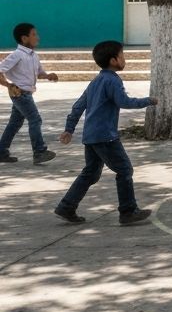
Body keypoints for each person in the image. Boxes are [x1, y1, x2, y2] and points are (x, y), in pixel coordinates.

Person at [53, 40, 157, 225]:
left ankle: (66, 206)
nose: (125, 59)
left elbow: (78, 106)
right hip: (105, 136)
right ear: (113, 60)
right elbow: (124, 102)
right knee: (125, 169)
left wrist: (69, 129)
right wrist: (148, 101)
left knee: (91, 173)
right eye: (122, 55)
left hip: (91, 136)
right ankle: (128, 211)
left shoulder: (95, 81)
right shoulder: (112, 80)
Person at [0, 23, 59, 164]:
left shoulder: (33, 56)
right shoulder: (17, 55)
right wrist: (8, 85)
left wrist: (48, 75)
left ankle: (1, 151)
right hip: (20, 94)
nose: (37, 37)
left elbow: (39, 74)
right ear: (24, 38)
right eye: (34, 34)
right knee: (35, 120)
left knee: (15, 123)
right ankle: (39, 152)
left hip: (27, 94)